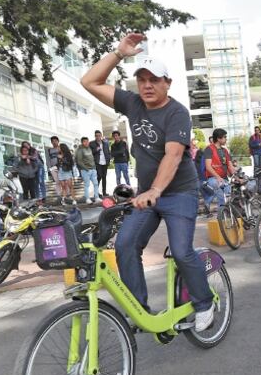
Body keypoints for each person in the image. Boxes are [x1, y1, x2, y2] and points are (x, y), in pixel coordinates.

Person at [80, 32, 215, 331]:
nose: (147, 85)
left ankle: (204, 302)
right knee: (125, 245)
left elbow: (173, 155)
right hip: (147, 197)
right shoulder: (132, 104)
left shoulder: (177, 113)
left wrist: (155, 189)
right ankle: (138, 310)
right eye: (142, 79)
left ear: (168, 83)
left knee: (181, 251)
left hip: (179, 193)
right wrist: (118, 54)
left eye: (154, 79)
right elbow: (89, 82)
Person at [202, 128, 238, 213]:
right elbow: (208, 166)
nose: (226, 139)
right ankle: (222, 214)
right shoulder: (209, 149)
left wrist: (237, 177)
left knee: (230, 194)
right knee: (220, 192)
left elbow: (230, 166)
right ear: (218, 138)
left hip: (224, 179)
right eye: (225, 137)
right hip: (213, 178)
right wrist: (218, 177)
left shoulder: (225, 150)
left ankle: (229, 213)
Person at [75, 136, 99, 203]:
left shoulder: (89, 148)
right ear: (82, 142)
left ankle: (97, 197)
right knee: (86, 185)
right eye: (84, 141)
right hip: (85, 170)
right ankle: (87, 199)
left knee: (96, 184)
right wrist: (86, 169)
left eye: (87, 141)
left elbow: (92, 158)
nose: (86, 143)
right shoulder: (80, 150)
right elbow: (79, 161)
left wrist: (94, 168)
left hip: (93, 169)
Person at [90, 130, 112, 197]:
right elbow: (90, 153)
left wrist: (109, 159)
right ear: (95, 136)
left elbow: (108, 152)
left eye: (99, 136)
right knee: (99, 176)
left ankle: (104, 192)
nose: (98, 137)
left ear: (101, 136)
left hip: (105, 162)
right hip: (97, 162)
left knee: (104, 177)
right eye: (96, 136)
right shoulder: (92, 143)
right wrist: (95, 150)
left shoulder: (105, 143)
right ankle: (96, 193)